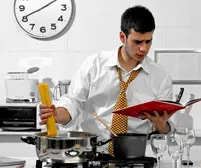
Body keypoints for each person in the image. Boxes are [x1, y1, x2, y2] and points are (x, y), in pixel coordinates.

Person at [40, 5, 175, 151]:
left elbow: (167, 129)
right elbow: (74, 100)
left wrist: (162, 126)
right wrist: (57, 115)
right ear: (122, 37)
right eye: (137, 42)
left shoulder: (161, 77)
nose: (144, 48)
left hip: (136, 156)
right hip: (92, 152)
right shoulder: (94, 65)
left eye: (148, 41)